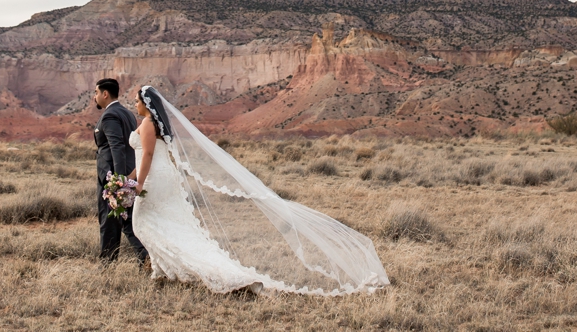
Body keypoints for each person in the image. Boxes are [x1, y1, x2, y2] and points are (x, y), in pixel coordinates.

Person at [127, 84, 388, 295]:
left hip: (154, 180)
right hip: (157, 177)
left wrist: (137, 184)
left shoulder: (149, 124)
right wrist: (125, 180)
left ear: (147, 103)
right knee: (158, 224)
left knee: (143, 222)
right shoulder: (151, 123)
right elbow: (144, 157)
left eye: (137, 100)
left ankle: (171, 270)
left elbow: (148, 154)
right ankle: (162, 270)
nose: (134, 104)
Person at [91, 78, 148, 263]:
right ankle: (145, 259)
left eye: (96, 93)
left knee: (110, 222)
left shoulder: (109, 115)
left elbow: (116, 147)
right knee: (129, 222)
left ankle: (108, 264)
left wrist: (118, 182)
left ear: (105, 94)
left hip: (113, 178)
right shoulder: (129, 114)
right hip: (128, 174)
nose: (95, 96)